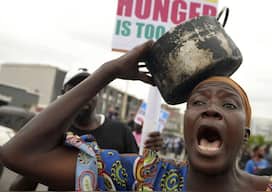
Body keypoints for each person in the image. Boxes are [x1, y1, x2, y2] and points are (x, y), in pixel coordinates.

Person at [0, 41, 272, 191]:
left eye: (229, 105)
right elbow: (20, 154)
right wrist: (109, 71)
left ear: (245, 135)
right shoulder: (145, 177)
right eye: (197, 102)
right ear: (185, 126)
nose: (211, 109)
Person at [8, 68, 162, 190]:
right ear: (63, 95)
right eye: (75, 88)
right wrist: (36, 164)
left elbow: (138, 176)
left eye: (88, 87)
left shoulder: (121, 131)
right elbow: (18, 187)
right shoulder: (53, 134)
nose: (83, 94)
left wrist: (150, 153)